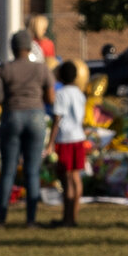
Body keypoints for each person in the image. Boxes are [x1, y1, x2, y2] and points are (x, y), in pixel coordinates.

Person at [0, 28, 54, 230]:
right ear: (30, 47)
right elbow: (50, 99)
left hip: (12, 115)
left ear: (13, 48)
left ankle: (1, 219)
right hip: (36, 117)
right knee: (32, 171)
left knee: (8, 171)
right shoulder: (41, 69)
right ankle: (31, 219)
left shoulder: (5, 69)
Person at [50, 60, 88, 228]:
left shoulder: (61, 94)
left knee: (67, 180)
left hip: (65, 139)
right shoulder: (80, 93)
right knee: (76, 177)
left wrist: (51, 142)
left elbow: (57, 119)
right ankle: (74, 215)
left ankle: (67, 218)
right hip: (79, 138)